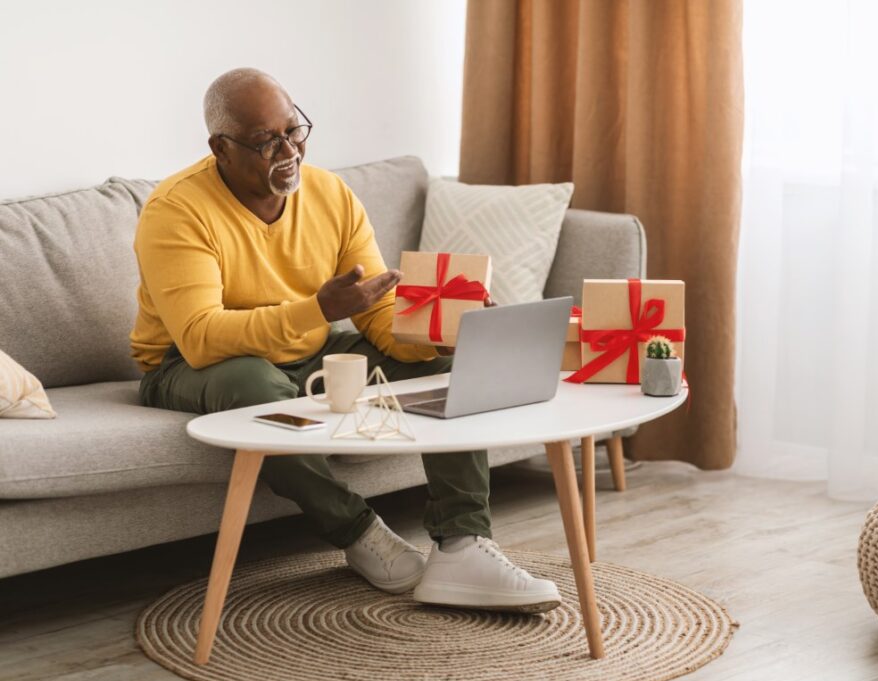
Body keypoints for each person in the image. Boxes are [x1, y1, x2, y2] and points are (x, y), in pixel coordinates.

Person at [129, 67, 560, 612]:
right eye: (265, 141)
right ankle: (359, 533)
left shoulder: (331, 194)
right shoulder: (177, 210)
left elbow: (379, 312)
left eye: (295, 130)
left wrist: (439, 339)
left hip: (307, 345)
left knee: (450, 367)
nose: (288, 151)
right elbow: (199, 337)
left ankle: (463, 543)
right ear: (221, 147)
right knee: (253, 379)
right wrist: (317, 310)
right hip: (187, 365)